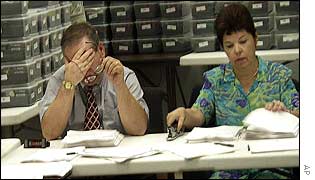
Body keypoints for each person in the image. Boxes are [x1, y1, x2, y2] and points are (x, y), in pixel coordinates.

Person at [166, 3, 299, 179]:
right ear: (223, 48)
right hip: (228, 168)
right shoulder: (215, 80)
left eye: (243, 41)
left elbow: (300, 114)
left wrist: (286, 114)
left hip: (272, 167)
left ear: (256, 39)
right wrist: (184, 113)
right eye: (229, 45)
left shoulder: (278, 76)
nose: (237, 50)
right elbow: (199, 113)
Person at [39, 22, 149, 140]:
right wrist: (69, 84)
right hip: (76, 154)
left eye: (87, 58)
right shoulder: (60, 80)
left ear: (101, 50)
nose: (83, 69)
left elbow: (139, 129)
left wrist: (120, 86)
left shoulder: (122, 75)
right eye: (76, 62)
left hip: (116, 152)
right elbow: (49, 133)